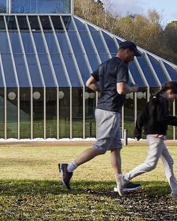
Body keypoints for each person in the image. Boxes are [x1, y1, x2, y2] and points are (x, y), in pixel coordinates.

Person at [59, 40, 145, 195]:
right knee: (100, 146)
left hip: (103, 108)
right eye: (133, 55)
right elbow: (120, 89)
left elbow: (89, 83)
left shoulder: (105, 65)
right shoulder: (121, 67)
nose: (133, 58)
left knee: (116, 147)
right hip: (110, 111)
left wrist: (104, 92)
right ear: (126, 51)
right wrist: (133, 88)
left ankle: (120, 181)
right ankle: (68, 168)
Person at [121, 81, 177, 199]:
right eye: (175, 97)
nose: (174, 100)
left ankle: (175, 190)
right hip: (156, 135)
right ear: (170, 92)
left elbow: (141, 116)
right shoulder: (162, 101)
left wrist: (137, 131)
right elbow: (162, 118)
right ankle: (124, 179)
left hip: (155, 134)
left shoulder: (154, 99)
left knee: (169, 161)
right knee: (150, 164)